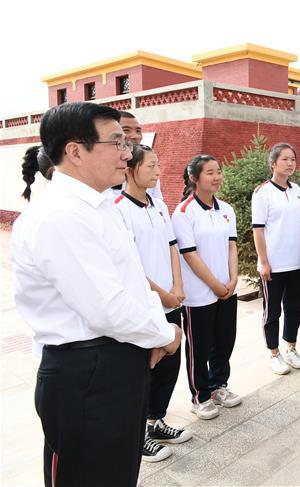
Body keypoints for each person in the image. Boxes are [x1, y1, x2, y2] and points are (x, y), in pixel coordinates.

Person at [12, 102, 181, 487]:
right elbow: (108, 308)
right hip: (86, 375)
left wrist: (152, 330)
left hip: (115, 362)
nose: (128, 152)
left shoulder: (98, 206)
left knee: (117, 475)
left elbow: (131, 283)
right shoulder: (61, 214)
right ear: (75, 151)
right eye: (117, 142)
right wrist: (165, 334)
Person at [115, 144, 192, 463]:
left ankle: (156, 421)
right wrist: (162, 293)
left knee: (169, 366)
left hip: (171, 300)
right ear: (131, 170)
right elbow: (129, 265)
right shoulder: (119, 209)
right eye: (151, 166)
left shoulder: (159, 205)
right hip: (145, 306)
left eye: (159, 165)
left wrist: (177, 286)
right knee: (145, 370)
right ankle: (138, 434)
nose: (158, 171)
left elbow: (172, 247)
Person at [173, 154, 242, 421]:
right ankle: (200, 395)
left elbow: (232, 245)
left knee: (225, 341)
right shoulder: (183, 212)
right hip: (199, 294)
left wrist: (232, 279)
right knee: (199, 347)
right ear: (194, 178)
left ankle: (218, 386)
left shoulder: (225, 209)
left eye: (219, 171)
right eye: (210, 173)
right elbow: (190, 255)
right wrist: (215, 285)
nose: (217, 177)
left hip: (227, 288)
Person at [251, 143, 300, 376]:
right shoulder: (262, 192)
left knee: (295, 308)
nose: (290, 163)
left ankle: (291, 348)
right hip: (274, 264)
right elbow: (258, 230)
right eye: (285, 159)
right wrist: (264, 262)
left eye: (293, 159)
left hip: (296, 262)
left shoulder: (296, 189)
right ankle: (274, 353)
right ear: (273, 163)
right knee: (272, 311)